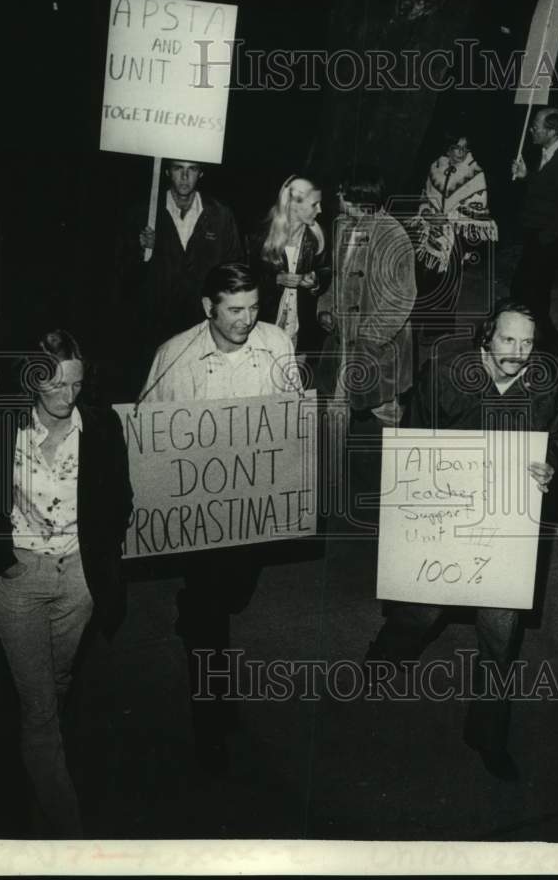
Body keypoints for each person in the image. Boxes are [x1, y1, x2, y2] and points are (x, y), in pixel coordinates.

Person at [365, 300, 558, 780]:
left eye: (526, 343)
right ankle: (383, 657)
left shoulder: (546, 385)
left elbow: (554, 438)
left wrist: (549, 468)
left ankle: (487, 734)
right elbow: (413, 444)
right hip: (445, 514)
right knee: (422, 610)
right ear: (486, 337)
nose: (517, 353)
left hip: (503, 526)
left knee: (501, 634)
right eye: (507, 340)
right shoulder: (445, 374)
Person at [139, 263, 301, 772]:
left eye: (254, 308)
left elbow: (293, 413)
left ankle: (196, 608)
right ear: (208, 307)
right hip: (199, 513)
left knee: (235, 593)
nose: (247, 320)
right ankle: (210, 725)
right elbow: (145, 437)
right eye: (234, 310)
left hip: (253, 506)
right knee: (212, 619)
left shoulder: (276, 343)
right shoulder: (174, 357)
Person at [0, 329, 132, 836]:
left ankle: (36, 776)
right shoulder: (4, 425)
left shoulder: (100, 425)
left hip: (79, 579)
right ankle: (66, 825)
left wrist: (101, 559)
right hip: (21, 577)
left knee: (58, 680)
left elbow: (121, 499)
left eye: (75, 384)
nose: (67, 397)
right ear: (32, 383)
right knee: (40, 705)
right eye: (55, 387)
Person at [315, 166, 416, 430]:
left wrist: (368, 340)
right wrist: (326, 306)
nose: (335, 196)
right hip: (344, 342)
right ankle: (335, 466)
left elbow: (402, 299)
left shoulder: (393, 236)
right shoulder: (344, 227)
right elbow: (339, 277)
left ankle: (393, 466)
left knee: (385, 413)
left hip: (378, 349)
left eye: (340, 192)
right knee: (336, 406)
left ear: (355, 201)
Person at [138, 158, 244, 359]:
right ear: (168, 172)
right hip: (156, 322)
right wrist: (142, 250)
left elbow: (233, 268)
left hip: (202, 321)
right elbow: (123, 274)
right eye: (178, 168)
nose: (185, 177)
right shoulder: (145, 213)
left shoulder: (220, 215)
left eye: (192, 169)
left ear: (201, 173)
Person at [407, 128, 496, 348]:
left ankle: (437, 330)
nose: (461, 153)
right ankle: (415, 324)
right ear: (448, 147)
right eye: (457, 147)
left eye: (466, 149)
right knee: (423, 277)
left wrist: (447, 217)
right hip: (430, 232)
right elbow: (425, 196)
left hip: (456, 234)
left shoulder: (475, 174)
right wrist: (428, 213)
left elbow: (477, 207)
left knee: (448, 280)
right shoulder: (436, 167)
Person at [510, 107, 558, 356]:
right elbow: (546, 187)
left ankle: (549, 343)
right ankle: (536, 340)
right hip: (538, 234)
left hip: (550, 236)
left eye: (537, 126)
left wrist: (544, 239)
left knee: (531, 290)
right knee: (528, 289)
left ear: (552, 131)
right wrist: (526, 176)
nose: (532, 129)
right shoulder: (549, 151)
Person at [250, 173, 331, 381]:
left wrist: (315, 281)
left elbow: (326, 272)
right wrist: (275, 280)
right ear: (294, 204)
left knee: (293, 385)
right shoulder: (262, 234)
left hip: (299, 328)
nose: (320, 210)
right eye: (314, 204)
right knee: (262, 380)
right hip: (265, 324)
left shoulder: (317, 237)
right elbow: (247, 279)